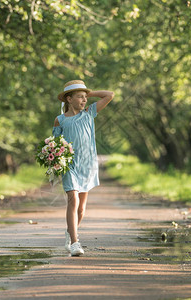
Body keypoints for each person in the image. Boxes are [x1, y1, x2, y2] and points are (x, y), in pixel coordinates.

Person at [52, 80, 114, 256]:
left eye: (85, 97)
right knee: (73, 199)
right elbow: (55, 145)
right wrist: (56, 163)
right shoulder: (60, 120)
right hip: (70, 165)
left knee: (81, 209)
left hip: (87, 165)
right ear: (69, 99)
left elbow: (110, 95)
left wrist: (89, 93)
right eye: (80, 97)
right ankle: (74, 242)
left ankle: (70, 232)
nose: (84, 100)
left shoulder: (89, 113)